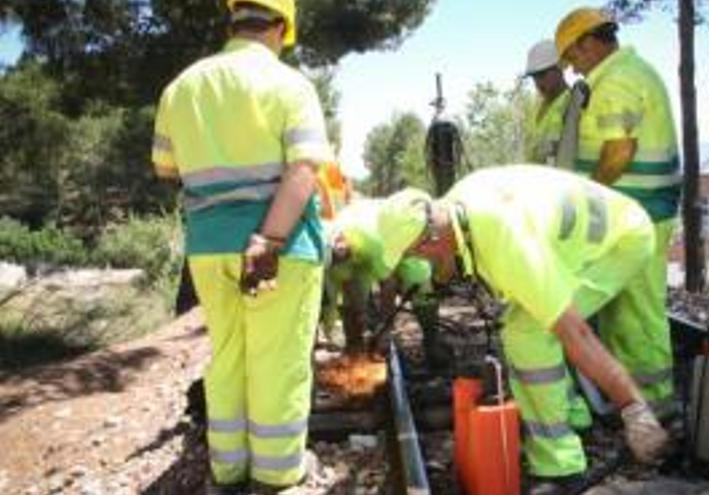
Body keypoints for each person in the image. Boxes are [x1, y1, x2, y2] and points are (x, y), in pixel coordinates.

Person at [376, 165, 670, 495]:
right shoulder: (458, 205)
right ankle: (575, 418)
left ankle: (560, 463)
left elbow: (576, 333)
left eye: (415, 253)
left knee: (527, 332)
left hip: (622, 241)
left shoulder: (505, 239)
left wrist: (633, 409)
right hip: (599, 230)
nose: (420, 262)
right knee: (529, 319)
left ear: (431, 240)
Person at [151, 0, 332, 492]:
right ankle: (275, 476)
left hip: (208, 248)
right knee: (277, 364)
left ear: (233, 22)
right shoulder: (291, 85)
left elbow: (166, 168)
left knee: (227, 357)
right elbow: (303, 170)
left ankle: (227, 471)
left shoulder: (182, 88)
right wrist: (268, 240)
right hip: (280, 248)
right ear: (279, 27)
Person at [555, 7, 680, 418]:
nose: (571, 69)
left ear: (589, 43)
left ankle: (656, 403)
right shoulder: (627, 72)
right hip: (637, 209)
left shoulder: (616, 80)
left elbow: (619, 150)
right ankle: (628, 395)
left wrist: (588, 199)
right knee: (623, 306)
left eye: (572, 57)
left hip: (637, 210)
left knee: (638, 311)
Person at [324, 199, 442, 364]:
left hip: (393, 239)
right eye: (336, 259)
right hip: (359, 248)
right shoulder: (332, 252)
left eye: (339, 255)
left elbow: (389, 283)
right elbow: (347, 285)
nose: (338, 259)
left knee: (419, 281)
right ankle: (355, 350)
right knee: (352, 303)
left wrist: (385, 327)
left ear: (341, 242)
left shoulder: (372, 239)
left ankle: (432, 345)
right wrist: (360, 316)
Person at [523, 39, 588, 169]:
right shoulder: (540, 110)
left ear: (560, 68)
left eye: (542, 75)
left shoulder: (574, 104)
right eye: (534, 77)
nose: (538, 83)